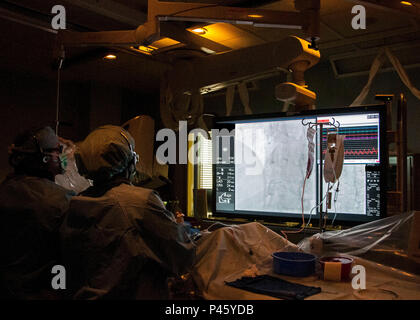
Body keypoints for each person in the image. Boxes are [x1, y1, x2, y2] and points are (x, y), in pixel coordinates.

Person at [60, 125, 196, 300]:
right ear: (129, 161)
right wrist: (180, 228)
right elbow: (182, 257)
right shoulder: (139, 202)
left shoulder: (77, 203)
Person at [0, 126, 73, 299]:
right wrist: (60, 290)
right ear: (45, 158)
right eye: (58, 150)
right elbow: (65, 259)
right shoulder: (62, 200)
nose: (62, 156)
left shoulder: (4, 190)